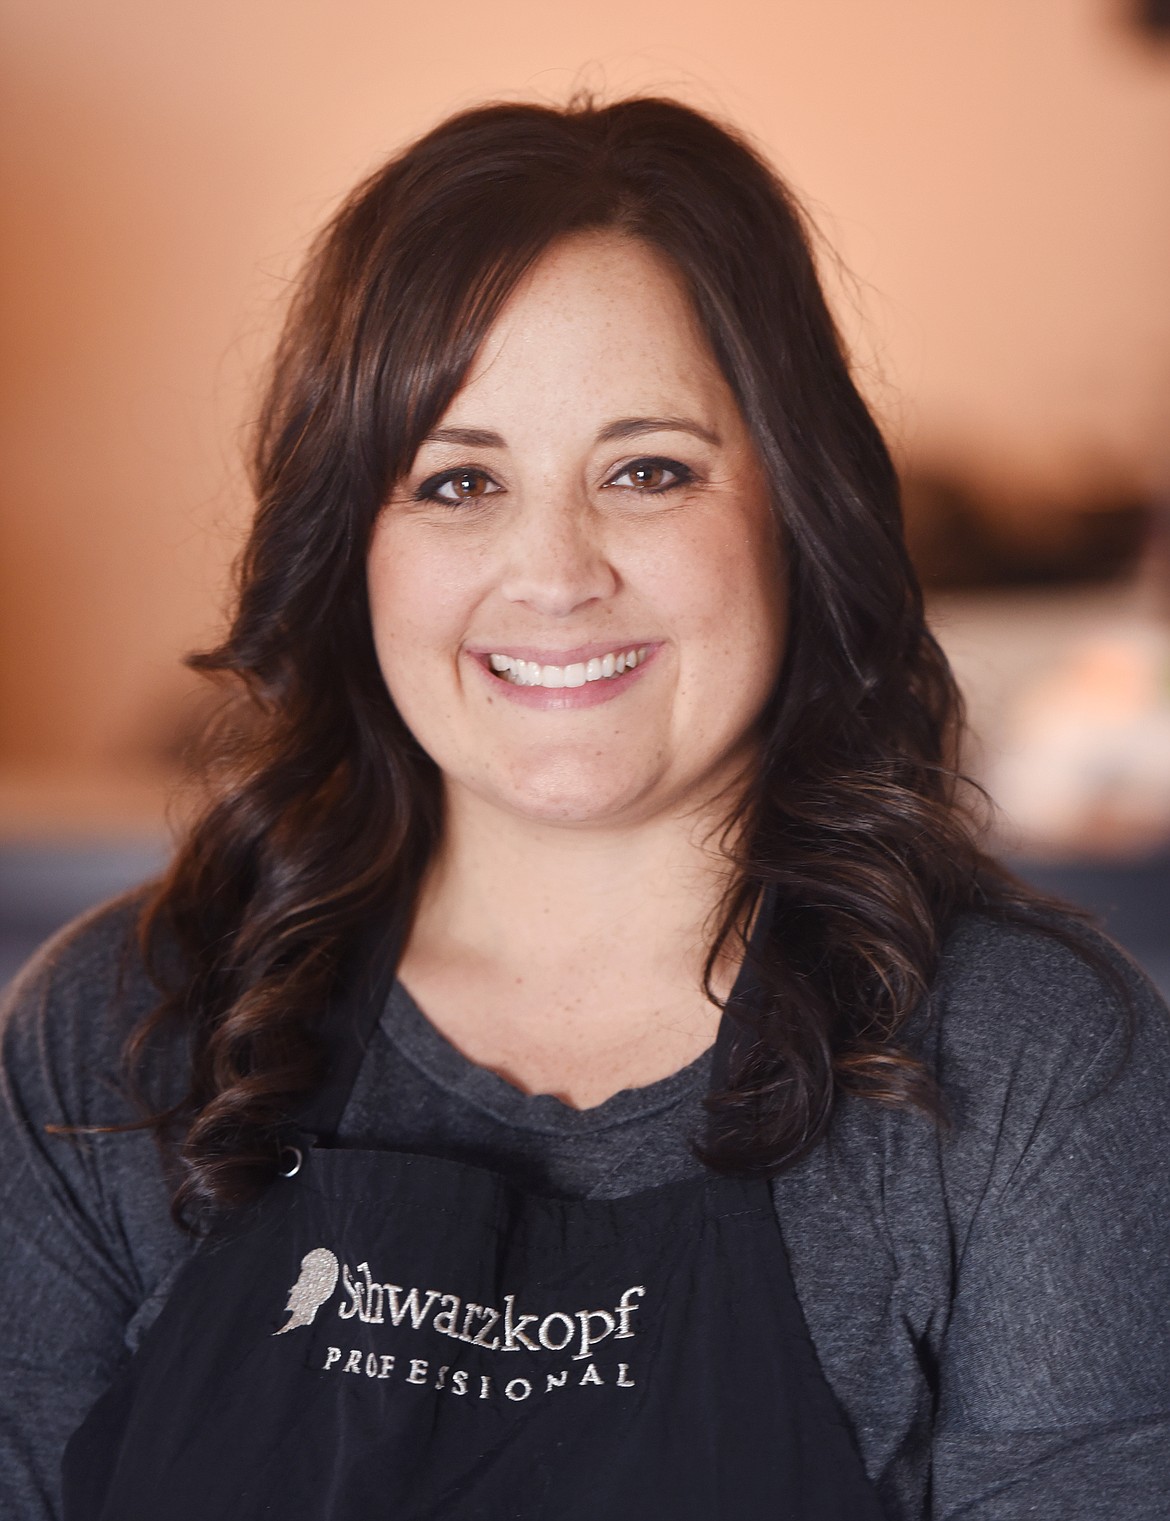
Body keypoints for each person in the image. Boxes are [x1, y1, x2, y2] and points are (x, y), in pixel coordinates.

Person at [1, 94, 1168, 1521]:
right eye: (457, 479)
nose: (552, 571)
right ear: (349, 548)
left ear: (795, 514)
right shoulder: (113, 1037)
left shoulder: (1036, 1067)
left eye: (647, 470)